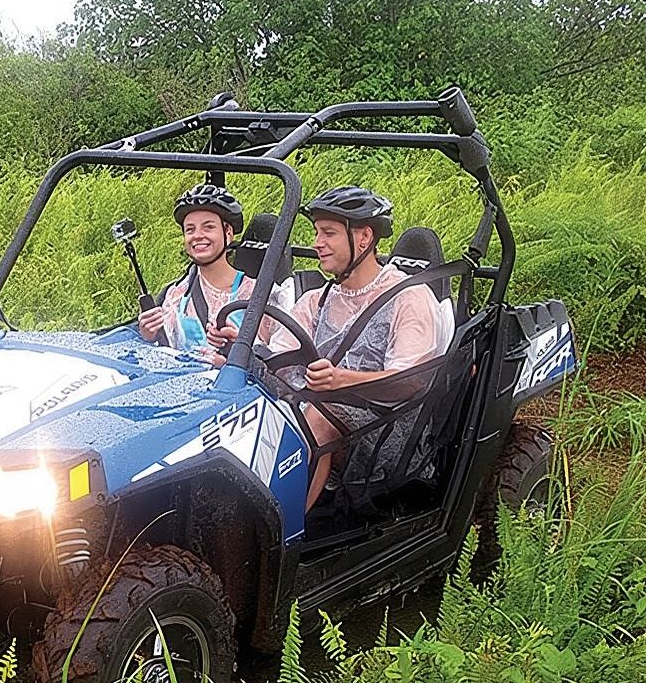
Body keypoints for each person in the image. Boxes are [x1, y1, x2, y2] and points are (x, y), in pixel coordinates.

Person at [211, 185, 452, 512]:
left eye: (328, 233)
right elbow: (279, 360)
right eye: (316, 232)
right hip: (312, 408)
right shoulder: (316, 300)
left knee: (319, 417)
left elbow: (410, 380)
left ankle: (283, 527)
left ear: (364, 237)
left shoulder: (408, 297)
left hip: (388, 429)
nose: (317, 243)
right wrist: (241, 348)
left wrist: (341, 380)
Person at [137, 183, 287, 356]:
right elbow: (164, 353)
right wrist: (150, 336)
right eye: (190, 230)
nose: (197, 235)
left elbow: (280, 360)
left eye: (208, 227)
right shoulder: (175, 296)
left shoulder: (261, 296)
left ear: (228, 232)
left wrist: (240, 351)